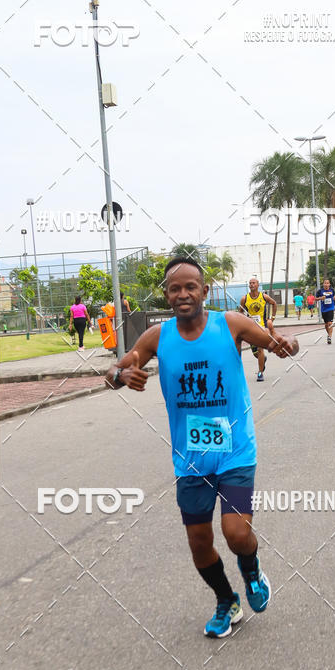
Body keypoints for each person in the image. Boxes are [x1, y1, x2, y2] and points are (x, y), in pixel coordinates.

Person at [106, 257, 299, 638]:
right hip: (190, 459)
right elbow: (113, 372)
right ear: (166, 294)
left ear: (204, 291)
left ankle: (252, 570)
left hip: (236, 451)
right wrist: (121, 375)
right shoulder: (157, 337)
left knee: (237, 533)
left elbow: (281, 344)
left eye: (190, 287)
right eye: (174, 288)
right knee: (199, 543)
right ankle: (227, 601)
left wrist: (286, 345)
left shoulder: (230, 324)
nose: (183, 294)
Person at [238, 277, 277, 381]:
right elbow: (240, 312)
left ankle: (260, 373)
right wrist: (245, 320)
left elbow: (274, 303)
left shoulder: (263, 296)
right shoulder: (244, 299)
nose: (251, 284)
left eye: (253, 283)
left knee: (260, 349)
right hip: (250, 328)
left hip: (262, 327)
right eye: (250, 283)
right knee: (256, 353)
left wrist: (272, 318)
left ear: (258, 285)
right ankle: (263, 359)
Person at [316, 278, 335, 344]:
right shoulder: (320, 291)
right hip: (324, 309)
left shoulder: (332, 290)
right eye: (325, 283)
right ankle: (328, 334)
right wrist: (320, 298)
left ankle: (329, 336)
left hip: (331, 308)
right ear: (323, 284)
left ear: (329, 284)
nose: (326, 284)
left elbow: (334, 296)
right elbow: (315, 299)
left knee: (330, 323)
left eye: (327, 283)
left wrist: (334, 298)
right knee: (326, 324)